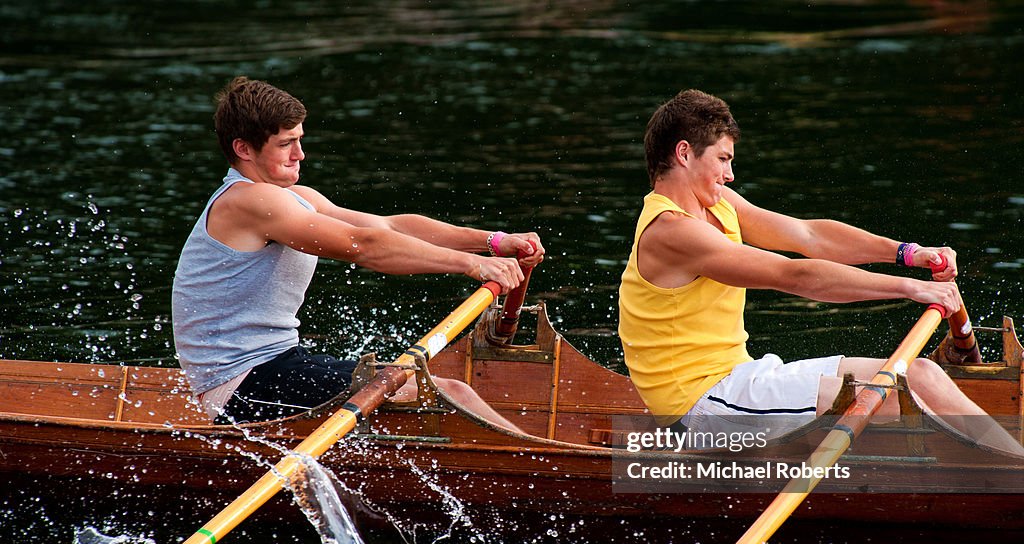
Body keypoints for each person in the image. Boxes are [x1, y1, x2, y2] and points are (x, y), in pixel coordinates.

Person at [618, 88, 1021, 453]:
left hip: (744, 379)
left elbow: (809, 236)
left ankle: (1012, 468)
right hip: (703, 409)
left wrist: (907, 253)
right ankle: (1001, 482)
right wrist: (911, 289)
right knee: (905, 399)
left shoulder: (718, 204)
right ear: (684, 153)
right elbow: (796, 276)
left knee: (923, 374)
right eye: (723, 159)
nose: (730, 174)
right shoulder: (671, 232)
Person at [172, 76, 544, 430]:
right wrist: (473, 265)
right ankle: (546, 469)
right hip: (242, 387)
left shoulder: (295, 198)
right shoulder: (248, 201)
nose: (300, 154)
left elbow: (389, 227)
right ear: (243, 149)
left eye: (300, 139)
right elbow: (364, 247)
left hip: (277, 365)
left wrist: (493, 242)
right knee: (451, 393)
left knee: (439, 393)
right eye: (286, 143)